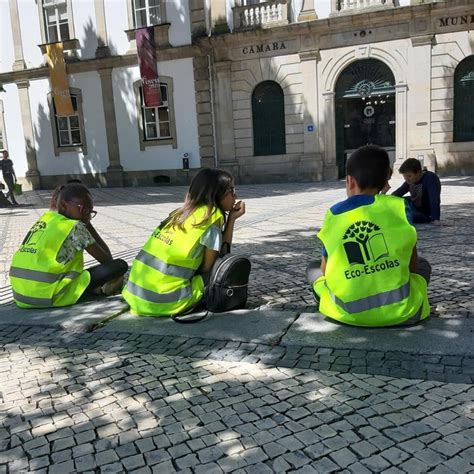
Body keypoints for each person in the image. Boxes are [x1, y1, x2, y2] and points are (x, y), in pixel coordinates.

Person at [306, 145, 431, 327]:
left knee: (313, 268)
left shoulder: (334, 214)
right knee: (423, 265)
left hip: (344, 314)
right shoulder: (399, 207)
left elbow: (325, 270)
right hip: (405, 314)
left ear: (350, 181)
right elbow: (412, 265)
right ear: (386, 179)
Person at [123, 168, 246, 317]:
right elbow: (213, 264)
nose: (235, 195)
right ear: (216, 194)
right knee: (221, 270)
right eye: (231, 190)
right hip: (166, 301)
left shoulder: (180, 213)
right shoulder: (210, 220)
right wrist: (231, 220)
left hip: (135, 296)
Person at [10, 183, 128, 308]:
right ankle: (96, 290)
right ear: (62, 205)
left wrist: (83, 218)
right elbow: (107, 259)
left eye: (90, 210)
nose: (87, 213)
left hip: (22, 296)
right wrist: (86, 224)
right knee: (119, 265)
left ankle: (95, 290)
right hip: (49, 296)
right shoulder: (74, 227)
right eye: (82, 208)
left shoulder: (45, 220)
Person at [391, 158, 441, 224]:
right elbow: (397, 194)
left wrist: (435, 219)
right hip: (414, 206)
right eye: (404, 176)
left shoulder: (430, 178)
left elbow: (434, 199)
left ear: (418, 172)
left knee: (405, 214)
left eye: (409, 176)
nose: (406, 179)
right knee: (396, 202)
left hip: (424, 213)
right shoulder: (410, 181)